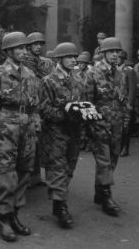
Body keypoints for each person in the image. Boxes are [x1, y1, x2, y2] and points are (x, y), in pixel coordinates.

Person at [0, 32, 41, 242]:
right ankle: (3, 219)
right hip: (5, 128)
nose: (24, 51)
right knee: (5, 175)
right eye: (19, 48)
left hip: (27, 130)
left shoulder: (30, 75)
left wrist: (36, 129)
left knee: (23, 173)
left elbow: (35, 106)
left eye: (25, 48)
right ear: (8, 51)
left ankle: (15, 216)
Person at [40, 42, 101, 228]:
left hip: (74, 133)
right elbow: (43, 108)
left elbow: (84, 102)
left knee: (69, 168)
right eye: (69, 57)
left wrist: (87, 114)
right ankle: (61, 207)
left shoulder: (78, 80)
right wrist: (64, 114)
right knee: (57, 169)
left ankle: (59, 202)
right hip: (56, 133)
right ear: (59, 59)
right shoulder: (49, 81)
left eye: (75, 57)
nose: (74, 60)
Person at [86, 37, 128, 216]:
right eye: (111, 51)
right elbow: (87, 102)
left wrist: (125, 119)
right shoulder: (93, 73)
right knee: (103, 160)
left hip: (116, 123)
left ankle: (99, 192)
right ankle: (106, 196)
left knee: (113, 158)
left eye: (117, 52)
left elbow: (123, 99)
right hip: (100, 123)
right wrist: (90, 125)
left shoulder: (121, 74)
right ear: (103, 53)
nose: (115, 54)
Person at [23, 31, 54, 188]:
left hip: (43, 104)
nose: (38, 47)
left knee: (40, 143)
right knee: (28, 142)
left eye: (40, 44)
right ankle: (25, 177)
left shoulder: (47, 63)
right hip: (28, 106)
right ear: (28, 46)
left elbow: (51, 81)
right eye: (35, 44)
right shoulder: (23, 62)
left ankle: (35, 177)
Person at [117, 50, 136, 156]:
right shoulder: (114, 69)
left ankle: (125, 147)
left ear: (123, 59)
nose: (117, 59)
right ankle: (118, 146)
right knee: (117, 125)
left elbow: (132, 89)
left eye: (119, 58)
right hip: (116, 102)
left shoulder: (129, 70)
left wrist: (130, 103)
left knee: (126, 126)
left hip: (125, 102)